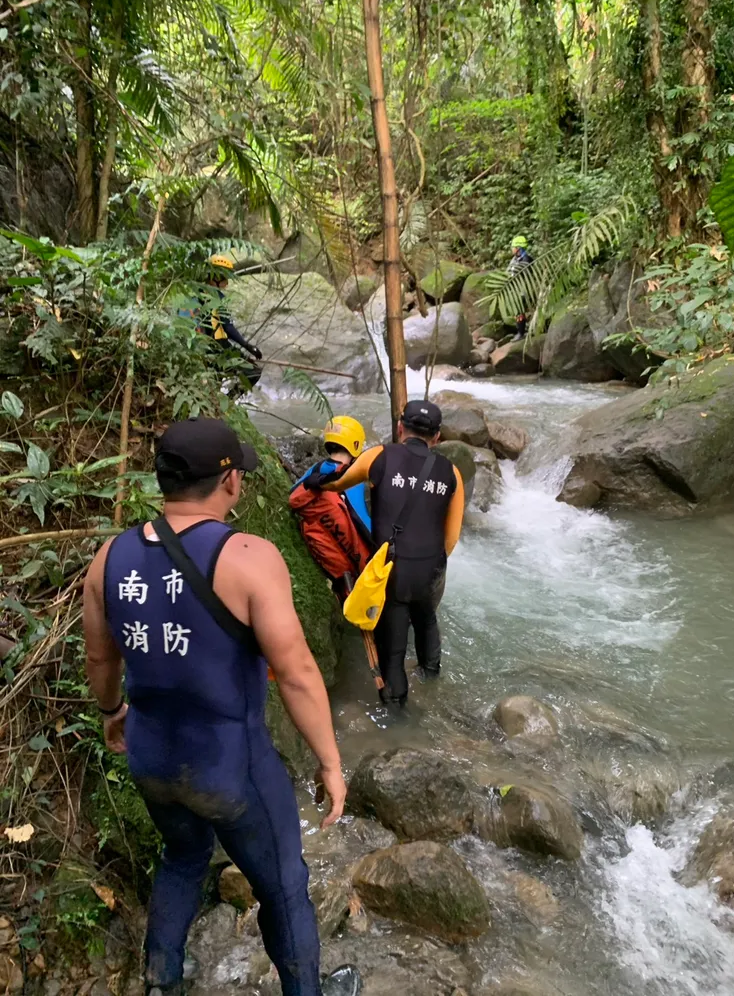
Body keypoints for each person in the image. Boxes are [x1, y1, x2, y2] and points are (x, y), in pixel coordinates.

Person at [82, 416, 360, 996]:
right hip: (230, 764)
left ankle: (162, 979)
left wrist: (113, 714)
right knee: (283, 883)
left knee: (182, 856)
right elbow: (297, 672)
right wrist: (330, 762)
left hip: (152, 755)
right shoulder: (249, 556)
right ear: (229, 481)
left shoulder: (110, 558)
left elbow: (102, 660)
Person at [309, 400, 464, 707]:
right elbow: (452, 536)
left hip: (391, 569)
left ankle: (396, 714)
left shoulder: (379, 455)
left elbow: (338, 482)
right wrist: (431, 564)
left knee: (392, 647)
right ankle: (431, 679)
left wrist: (315, 479)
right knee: (426, 619)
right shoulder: (453, 473)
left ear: (400, 428)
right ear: (437, 438)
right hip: (431, 567)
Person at [289, 416, 374, 602]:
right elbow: (361, 520)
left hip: (327, 548)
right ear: (356, 445)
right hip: (355, 560)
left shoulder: (316, 469)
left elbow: (294, 494)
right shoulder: (353, 478)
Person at [194, 254, 263, 389]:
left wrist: (246, 346)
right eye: (225, 277)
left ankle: (223, 402)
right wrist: (247, 345)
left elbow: (225, 325)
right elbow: (228, 327)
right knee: (253, 372)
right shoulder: (210, 296)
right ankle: (229, 400)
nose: (227, 282)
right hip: (215, 347)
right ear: (216, 276)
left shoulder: (204, 293)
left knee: (218, 380)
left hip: (211, 346)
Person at [507, 235, 534, 340]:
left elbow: (526, 276)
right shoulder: (515, 259)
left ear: (518, 248)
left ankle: (521, 332)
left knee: (519, 311)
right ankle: (521, 329)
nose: (512, 249)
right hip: (514, 289)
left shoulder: (526, 260)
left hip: (523, 290)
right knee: (516, 311)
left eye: (513, 247)